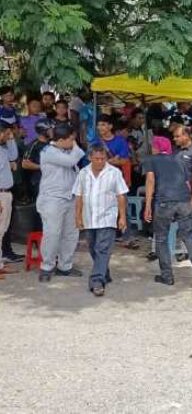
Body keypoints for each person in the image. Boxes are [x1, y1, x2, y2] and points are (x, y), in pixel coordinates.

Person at [143, 135, 192, 288]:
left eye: (154, 145)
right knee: (188, 236)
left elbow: (150, 181)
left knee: (161, 238)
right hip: (184, 200)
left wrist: (148, 205)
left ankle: (167, 276)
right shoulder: (179, 159)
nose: (152, 147)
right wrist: (191, 197)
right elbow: (187, 181)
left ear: (157, 147)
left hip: (164, 202)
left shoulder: (151, 160)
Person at [73, 144, 129, 297]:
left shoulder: (114, 172)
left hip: (107, 217)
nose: (99, 162)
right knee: (93, 248)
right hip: (89, 218)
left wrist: (122, 217)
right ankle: (105, 272)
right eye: (96, 159)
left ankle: (97, 281)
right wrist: (77, 216)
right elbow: (78, 196)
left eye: (103, 158)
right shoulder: (83, 173)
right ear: (90, 158)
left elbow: (121, 196)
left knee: (102, 249)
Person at [37, 123, 85, 282]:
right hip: (52, 199)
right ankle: (47, 266)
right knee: (52, 233)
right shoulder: (49, 151)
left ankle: (65, 266)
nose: (74, 141)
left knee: (71, 234)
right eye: (71, 139)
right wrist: (76, 147)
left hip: (70, 197)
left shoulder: (66, 149)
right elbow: (72, 161)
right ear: (62, 140)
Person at [22, 118, 55, 231]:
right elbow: (25, 164)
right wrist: (42, 167)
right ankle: (39, 235)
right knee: (41, 209)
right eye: (50, 129)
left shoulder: (53, 144)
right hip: (38, 182)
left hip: (51, 182)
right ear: (43, 130)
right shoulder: (34, 144)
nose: (53, 131)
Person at [0, 122, 18, 277]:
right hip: (0, 195)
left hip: (5, 193)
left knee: (2, 230)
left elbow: (14, 156)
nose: (9, 136)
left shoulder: (3, 149)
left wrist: (10, 138)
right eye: (7, 134)